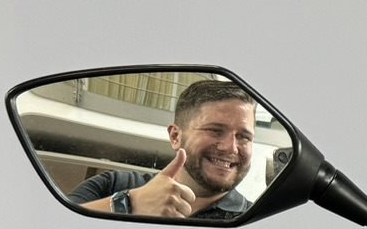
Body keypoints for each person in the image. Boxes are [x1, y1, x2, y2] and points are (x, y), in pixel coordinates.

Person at [66, 80, 260, 221]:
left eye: (244, 136)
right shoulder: (113, 185)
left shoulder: (255, 219)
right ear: (175, 136)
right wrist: (130, 204)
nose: (230, 147)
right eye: (215, 130)